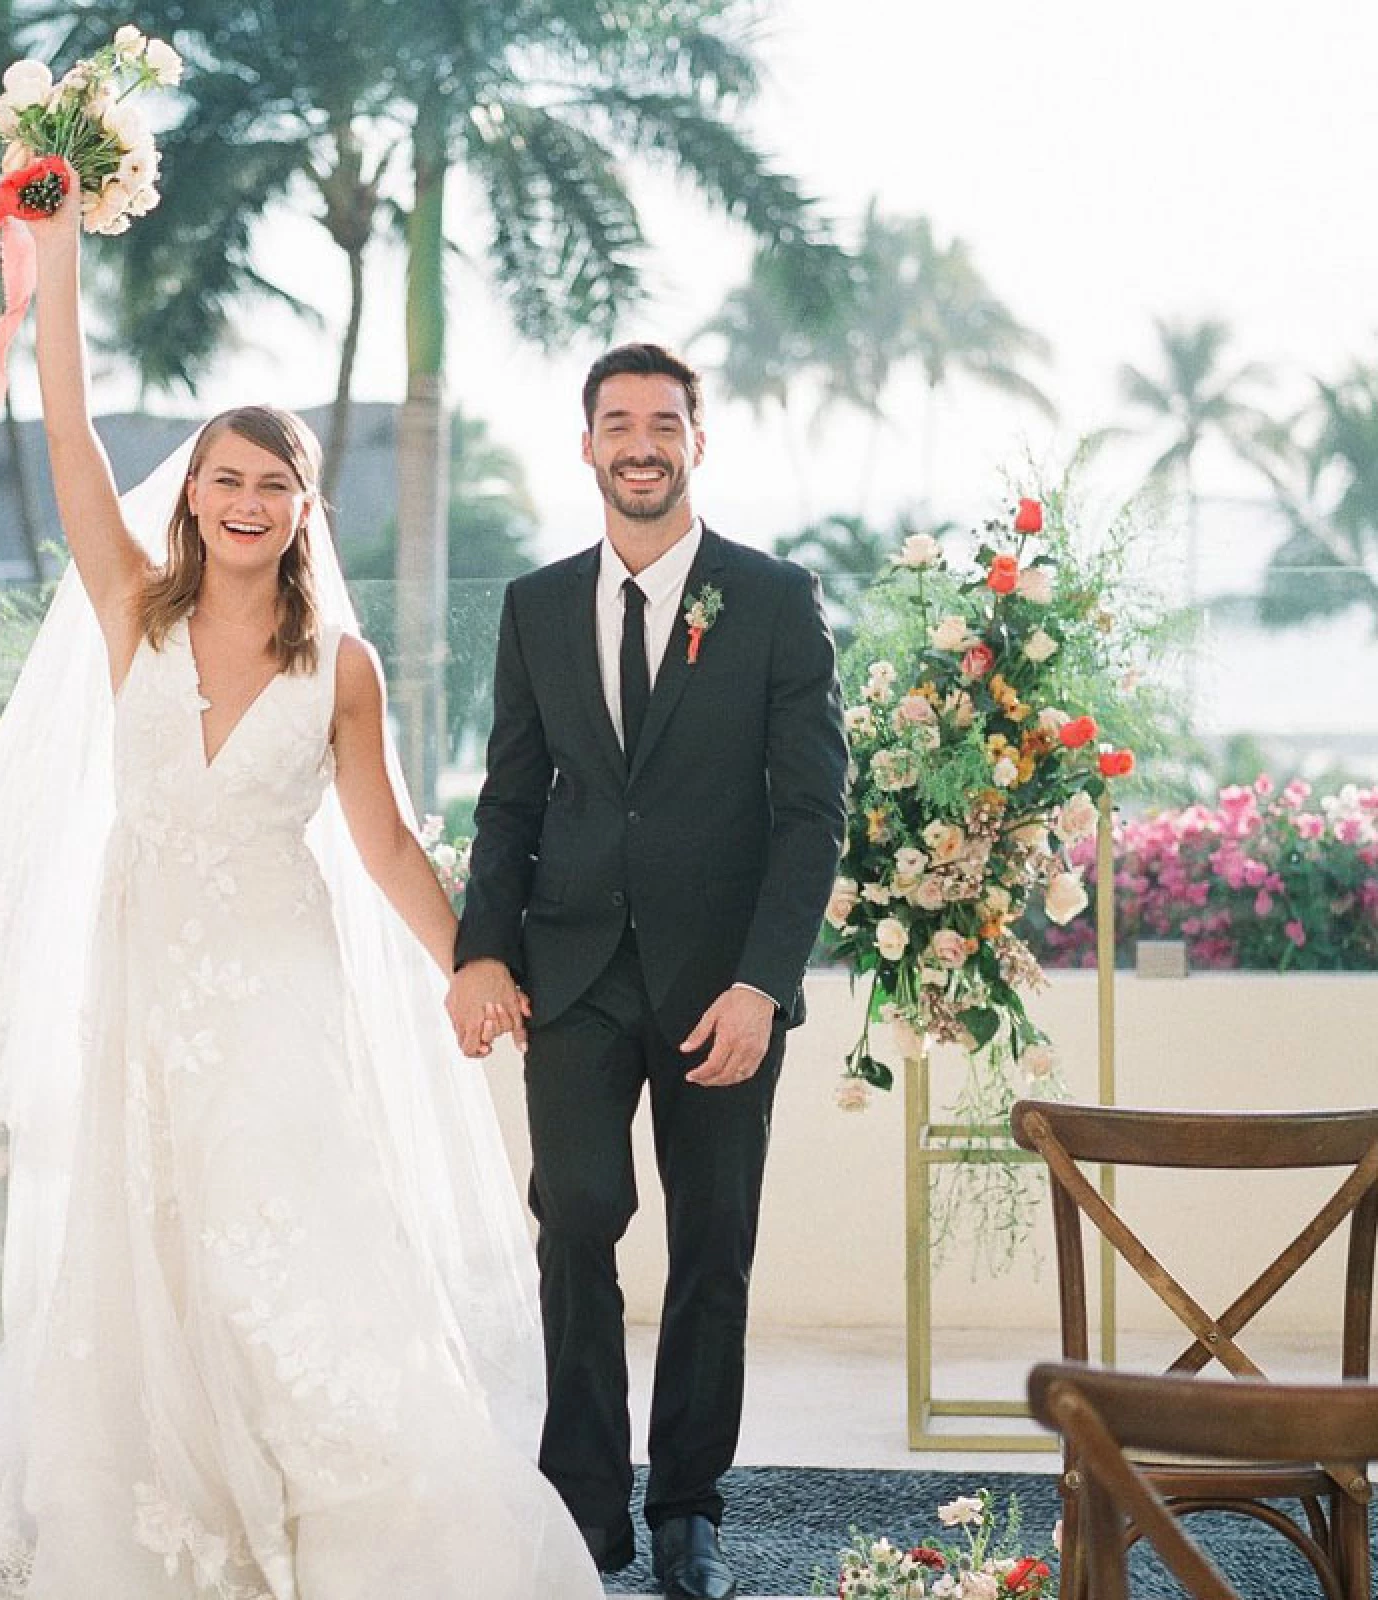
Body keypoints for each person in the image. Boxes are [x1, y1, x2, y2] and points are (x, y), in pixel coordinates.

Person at [0, 184, 602, 1598]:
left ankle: (352, 1507)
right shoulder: (129, 606)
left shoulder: (337, 669)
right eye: (224, 480)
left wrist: (469, 968)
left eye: (271, 485)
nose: (243, 503)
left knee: (293, 1237)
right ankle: (170, 1497)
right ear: (193, 493)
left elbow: (390, 848)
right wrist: (49, 265)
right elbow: (64, 433)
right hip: (147, 987)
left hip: (282, 993)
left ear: (304, 510)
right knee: (155, 1245)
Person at [447, 343, 849, 1599]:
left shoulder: (774, 598)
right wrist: (480, 951)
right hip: (571, 973)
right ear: (586, 446)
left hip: (721, 981)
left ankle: (686, 1508)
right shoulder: (534, 603)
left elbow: (812, 814)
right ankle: (580, 1500)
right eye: (616, 421)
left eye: (662, 421)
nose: (640, 441)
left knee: (713, 1243)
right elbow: (510, 800)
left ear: (695, 441)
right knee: (573, 1219)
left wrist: (762, 982)